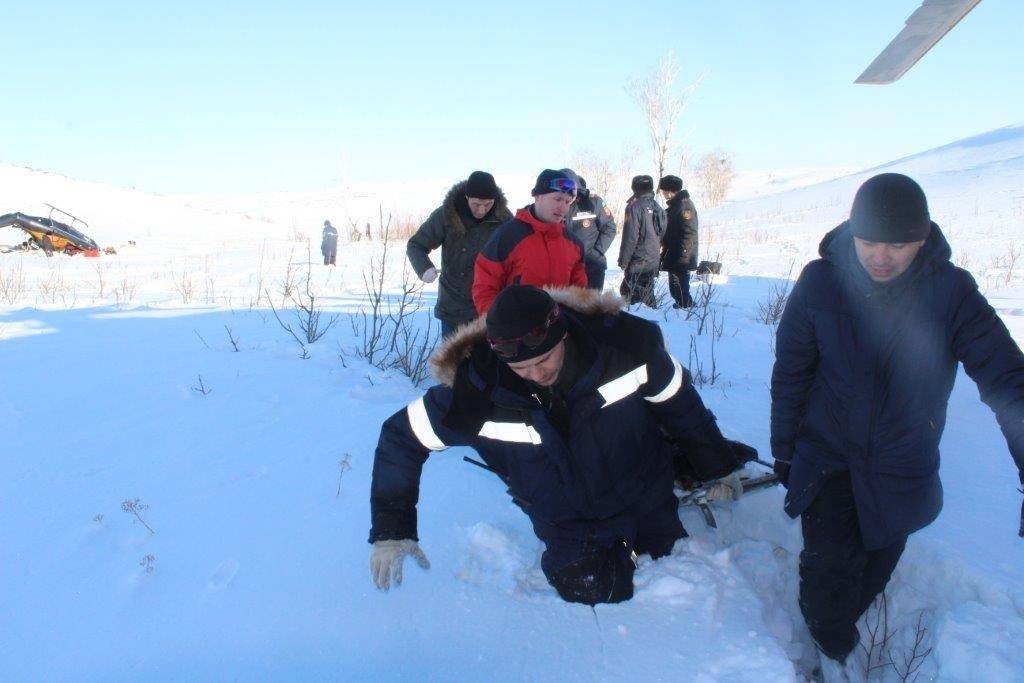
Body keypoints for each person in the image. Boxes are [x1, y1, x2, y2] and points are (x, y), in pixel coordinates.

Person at [770, 173, 1024, 674]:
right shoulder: (821, 282)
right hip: (829, 462)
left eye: (898, 244)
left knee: (872, 570)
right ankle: (832, 650)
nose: (880, 257)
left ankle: (841, 636)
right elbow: (791, 371)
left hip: (902, 466)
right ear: (851, 231)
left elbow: (1008, 380)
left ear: (923, 237)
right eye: (868, 242)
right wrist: (784, 450)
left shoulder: (951, 293)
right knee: (824, 595)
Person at [369, 285, 744, 604]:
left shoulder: (626, 350)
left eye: (545, 359)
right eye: (522, 368)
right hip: (569, 522)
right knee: (597, 590)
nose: (537, 374)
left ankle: (681, 468)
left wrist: (718, 467)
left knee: (670, 565)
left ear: (562, 334)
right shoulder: (476, 394)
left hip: (645, 496)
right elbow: (401, 437)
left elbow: (680, 403)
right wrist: (392, 528)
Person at [407, 171, 512, 337]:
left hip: (489, 307)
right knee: (454, 362)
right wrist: (424, 268)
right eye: (476, 204)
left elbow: (514, 258)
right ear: (466, 198)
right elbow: (416, 245)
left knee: (488, 362)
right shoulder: (446, 215)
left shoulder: (505, 220)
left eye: (488, 204)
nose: (482, 209)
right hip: (453, 306)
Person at [472, 169, 588, 314]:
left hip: (559, 328)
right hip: (515, 330)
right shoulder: (508, 236)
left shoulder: (575, 244)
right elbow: (485, 287)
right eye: (557, 199)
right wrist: (496, 325)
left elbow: (579, 293)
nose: (563, 207)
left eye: (567, 201)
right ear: (538, 196)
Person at [562, 170, 617, 291]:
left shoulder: (594, 202)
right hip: (565, 267)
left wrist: (596, 252)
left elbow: (610, 228)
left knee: (591, 307)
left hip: (592, 266)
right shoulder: (558, 205)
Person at [618, 175, 666, 308]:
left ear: (634, 188)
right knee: (647, 296)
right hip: (653, 260)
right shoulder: (658, 207)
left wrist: (623, 260)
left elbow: (630, 237)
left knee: (632, 298)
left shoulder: (634, 207)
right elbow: (662, 234)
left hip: (638, 261)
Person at [658, 175, 698, 308]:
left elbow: (689, 233)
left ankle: (685, 306)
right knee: (675, 287)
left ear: (670, 190)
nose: (663, 194)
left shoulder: (684, 206)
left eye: (664, 191)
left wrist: (684, 256)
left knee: (680, 286)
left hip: (681, 255)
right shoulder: (676, 206)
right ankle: (682, 304)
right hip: (674, 252)